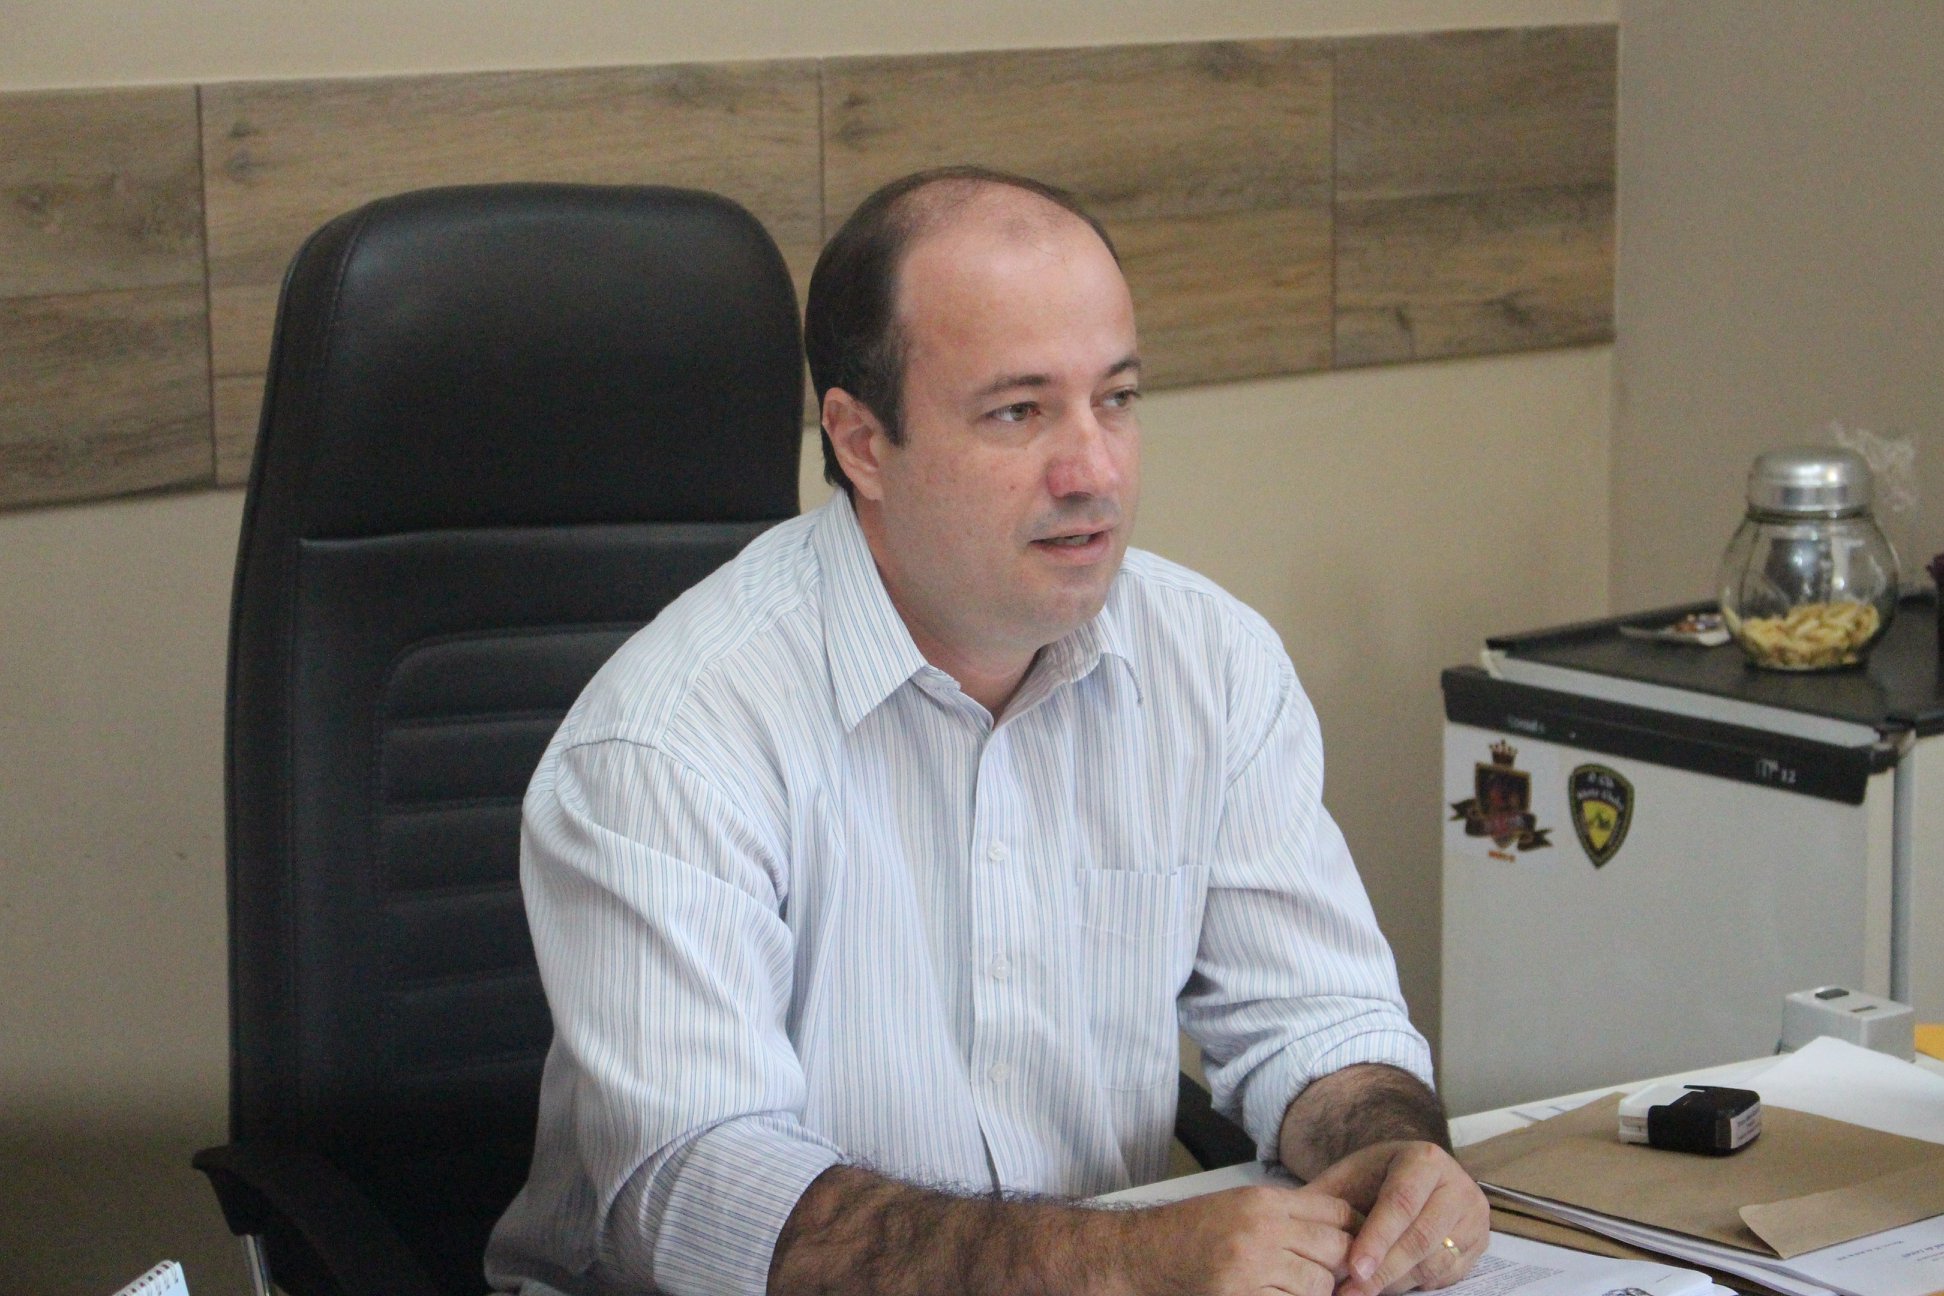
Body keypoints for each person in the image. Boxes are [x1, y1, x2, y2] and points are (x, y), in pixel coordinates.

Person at [486, 166, 1488, 1296]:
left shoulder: (1212, 664)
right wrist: (1126, 1262)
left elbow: (1319, 1022)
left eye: (1116, 398)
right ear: (862, 443)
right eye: (1019, 412)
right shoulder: (669, 743)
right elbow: (704, 1197)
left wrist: (1391, 1154)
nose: (1094, 470)